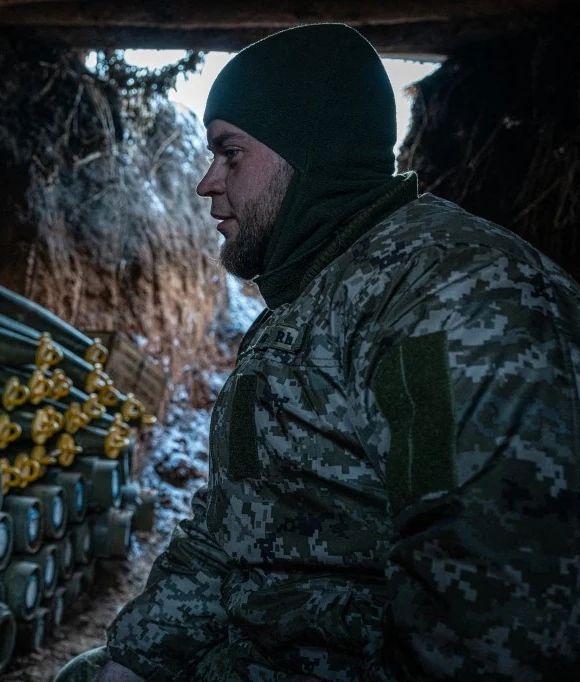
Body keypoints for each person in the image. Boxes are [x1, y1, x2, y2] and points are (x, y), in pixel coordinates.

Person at [55, 22, 580, 682]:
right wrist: (134, 659)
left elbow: (497, 611)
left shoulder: (458, 296)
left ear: (308, 150)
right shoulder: (305, 303)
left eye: (229, 153)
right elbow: (229, 530)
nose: (206, 183)